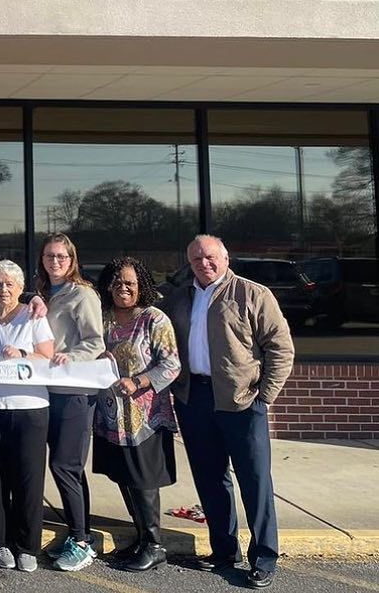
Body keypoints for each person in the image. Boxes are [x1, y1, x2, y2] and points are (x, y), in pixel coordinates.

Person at [165, 235, 294, 589]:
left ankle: (264, 557)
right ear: (188, 263)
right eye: (195, 259)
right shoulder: (181, 297)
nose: (203, 264)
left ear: (225, 257)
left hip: (242, 402)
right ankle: (224, 551)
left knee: (255, 481)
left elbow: (281, 349)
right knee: (210, 478)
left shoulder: (254, 294)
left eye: (210, 257)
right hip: (195, 400)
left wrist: (264, 398)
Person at [93, 256, 180, 572]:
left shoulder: (154, 320)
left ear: (141, 284)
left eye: (129, 282)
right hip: (110, 416)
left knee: (143, 480)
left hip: (143, 418)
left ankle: (155, 545)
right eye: (117, 283)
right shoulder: (105, 319)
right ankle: (141, 537)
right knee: (124, 477)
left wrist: (140, 381)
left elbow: (171, 365)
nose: (123, 289)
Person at [0, 259, 54, 574]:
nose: (3, 289)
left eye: (9, 284)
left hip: (30, 408)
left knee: (28, 479)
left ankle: (27, 546)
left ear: (21, 288)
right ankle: (0, 542)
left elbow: (47, 356)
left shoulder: (34, 316)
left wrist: (22, 354)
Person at [35, 232, 104, 572]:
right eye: (49, 256)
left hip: (75, 393)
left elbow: (95, 342)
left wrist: (70, 357)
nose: (55, 261)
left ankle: (81, 543)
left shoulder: (83, 294)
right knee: (69, 468)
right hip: (48, 392)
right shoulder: (43, 292)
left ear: (72, 259)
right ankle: (81, 533)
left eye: (61, 256)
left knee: (64, 466)